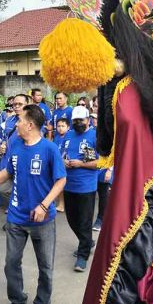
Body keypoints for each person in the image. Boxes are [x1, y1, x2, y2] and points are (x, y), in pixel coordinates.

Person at [0, 105, 66, 304]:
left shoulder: (49, 149)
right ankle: (17, 300)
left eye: (19, 120)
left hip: (43, 220)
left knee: (45, 267)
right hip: (16, 218)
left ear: (29, 125)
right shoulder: (17, 145)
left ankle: (42, 301)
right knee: (11, 264)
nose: (16, 123)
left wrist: (44, 205)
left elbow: (61, 180)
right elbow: (7, 172)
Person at [61, 106, 98, 272]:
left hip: (86, 186)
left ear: (88, 119)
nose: (78, 123)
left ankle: (83, 256)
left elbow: (100, 162)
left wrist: (81, 164)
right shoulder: (68, 135)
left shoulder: (94, 135)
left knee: (84, 222)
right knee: (71, 219)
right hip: (69, 185)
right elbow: (61, 155)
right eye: (75, 120)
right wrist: (64, 162)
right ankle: (87, 241)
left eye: (81, 120)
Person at [53, 117, 70, 212]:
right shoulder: (56, 137)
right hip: (58, 163)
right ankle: (61, 204)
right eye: (58, 126)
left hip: (66, 163)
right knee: (59, 184)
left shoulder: (69, 136)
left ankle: (63, 205)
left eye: (63, 126)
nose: (60, 128)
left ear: (68, 127)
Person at [92, 166, 112, 231]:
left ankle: (100, 219)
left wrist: (109, 170)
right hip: (91, 164)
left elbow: (112, 155)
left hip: (105, 166)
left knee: (103, 194)